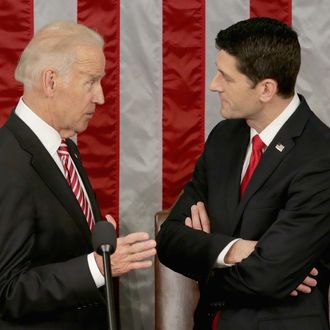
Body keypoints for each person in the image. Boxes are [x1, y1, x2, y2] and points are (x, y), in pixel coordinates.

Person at [156, 17, 330, 330]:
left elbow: (268, 276)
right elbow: (169, 239)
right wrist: (234, 250)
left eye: (226, 76)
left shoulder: (321, 156)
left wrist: (206, 258)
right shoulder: (224, 138)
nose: (213, 84)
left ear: (266, 89)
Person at [0, 21, 156, 329]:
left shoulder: (64, 148)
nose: (100, 97)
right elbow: (8, 290)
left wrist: (97, 246)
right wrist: (97, 266)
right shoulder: (7, 161)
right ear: (51, 82)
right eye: (91, 82)